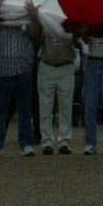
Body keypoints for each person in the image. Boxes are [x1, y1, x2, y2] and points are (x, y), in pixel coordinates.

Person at [0, 0, 40, 157]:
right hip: (2, 69)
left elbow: (35, 34)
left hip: (23, 69)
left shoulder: (25, 18)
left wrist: (33, 16)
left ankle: (26, 143)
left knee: (25, 110)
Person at [33, 9, 77, 155]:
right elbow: (35, 37)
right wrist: (36, 17)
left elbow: (76, 41)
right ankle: (47, 141)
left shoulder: (69, 17)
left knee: (66, 106)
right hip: (47, 65)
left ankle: (64, 140)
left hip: (65, 66)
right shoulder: (44, 17)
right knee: (45, 106)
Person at [74, 15, 103, 155]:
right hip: (93, 61)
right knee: (90, 105)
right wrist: (85, 29)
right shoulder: (90, 17)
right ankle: (90, 143)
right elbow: (84, 39)